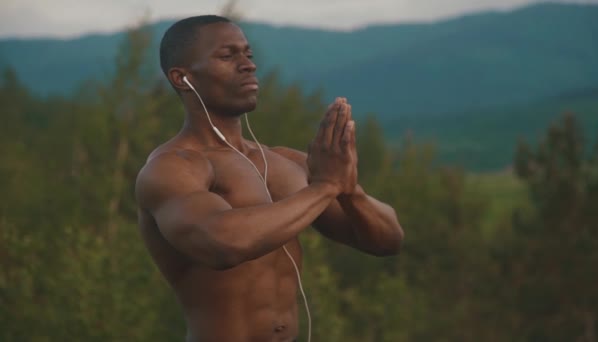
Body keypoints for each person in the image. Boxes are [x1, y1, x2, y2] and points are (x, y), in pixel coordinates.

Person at [134, 15, 404, 342]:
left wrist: (349, 192)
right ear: (182, 78)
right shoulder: (172, 168)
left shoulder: (285, 162)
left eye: (248, 54)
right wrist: (325, 187)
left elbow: (387, 240)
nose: (248, 65)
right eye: (227, 55)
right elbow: (222, 243)